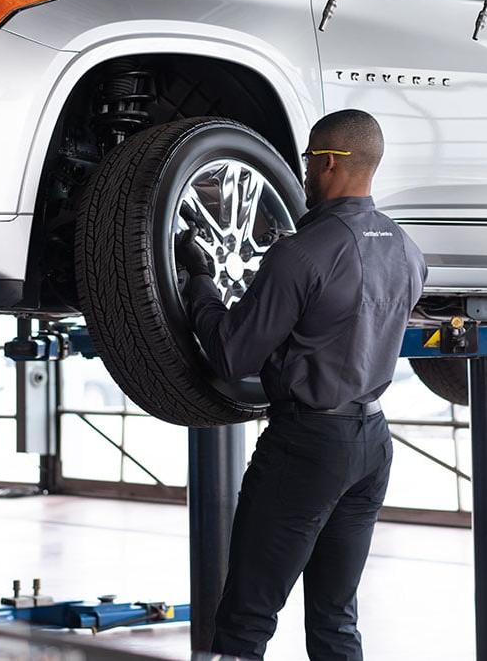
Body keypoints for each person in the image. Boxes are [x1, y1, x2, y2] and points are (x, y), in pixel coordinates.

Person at [174, 108, 427, 661]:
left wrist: (198, 284)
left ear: (331, 162)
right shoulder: (409, 251)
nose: (304, 172)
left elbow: (232, 352)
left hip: (307, 446)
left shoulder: (302, 252)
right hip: (372, 444)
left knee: (245, 618)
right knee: (336, 620)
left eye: (311, 160)